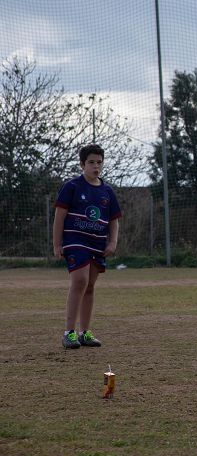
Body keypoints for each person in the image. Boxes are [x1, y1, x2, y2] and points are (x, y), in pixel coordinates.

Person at [52, 144, 122, 349]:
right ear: (82, 164)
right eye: (91, 162)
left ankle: (85, 332)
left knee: (90, 285)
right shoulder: (72, 187)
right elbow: (59, 217)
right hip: (75, 240)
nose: (96, 166)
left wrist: (112, 241)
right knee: (80, 281)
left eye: (99, 162)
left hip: (97, 243)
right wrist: (57, 244)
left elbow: (114, 221)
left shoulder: (107, 191)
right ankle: (69, 333)